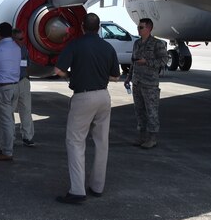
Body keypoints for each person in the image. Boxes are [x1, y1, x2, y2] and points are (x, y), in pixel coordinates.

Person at [53, 13, 120, 205]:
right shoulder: (108, 47)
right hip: (103, 96)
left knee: (75, 142)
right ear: (98, 28)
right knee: (101, 142)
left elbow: (58, 71)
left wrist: (73, 74)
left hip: (83, 96)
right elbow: (116, 76)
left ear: (83, 27)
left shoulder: (75, 45)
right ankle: (97, 186)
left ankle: (77, 190)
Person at [125, 18, 168, 149]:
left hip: (150, 84)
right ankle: (141, 136)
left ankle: (152, 138)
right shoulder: (137, 43)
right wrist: (128, 78)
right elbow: (133, 62)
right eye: (138, 27)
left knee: (151, 112)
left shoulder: (157, 44)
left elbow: (164, 61)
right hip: (137, 82)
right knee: (139, 111)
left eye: (141, 27)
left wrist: (147, 62)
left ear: (149, 28)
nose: (138, 29)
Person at [0, 22, 21, 162]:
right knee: (2, 117)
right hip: (14, 86)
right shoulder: (17, 48)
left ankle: (7, 151)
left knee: (5, 120)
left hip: (2, 88)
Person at [12, 28, 35, 147]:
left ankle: (28, 136)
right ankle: (10, 136)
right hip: (12, 82)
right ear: (13, 39)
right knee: (9, 111)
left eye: (23, 38)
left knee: (26, 109)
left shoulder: (23, 48)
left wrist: (27, 77)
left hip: (23, 81)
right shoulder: (10, 49)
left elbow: (27, 63)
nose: (23, 41)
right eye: (20, 39)